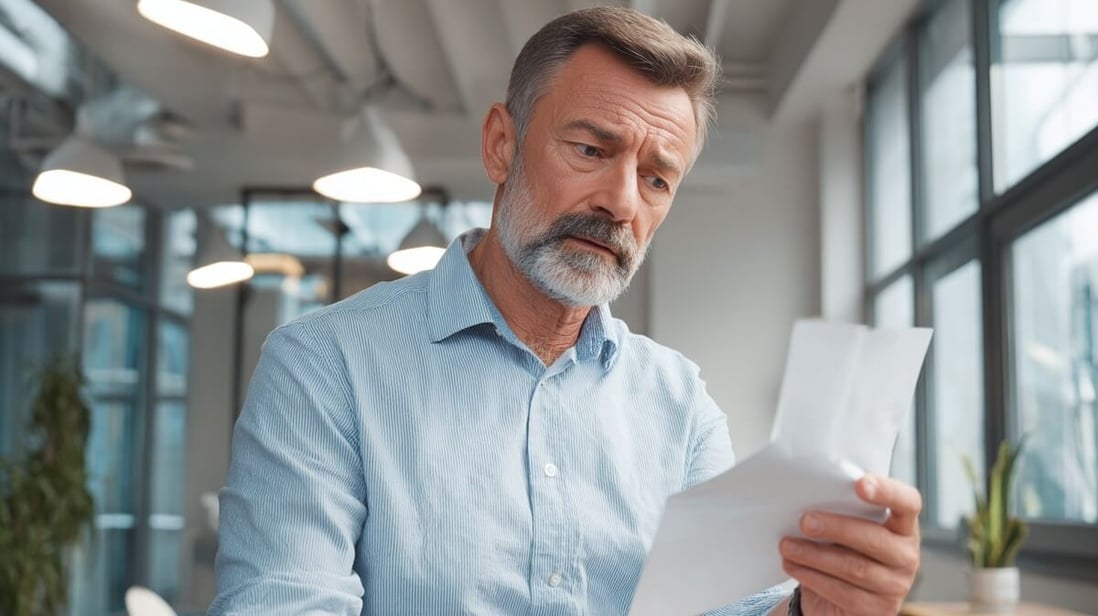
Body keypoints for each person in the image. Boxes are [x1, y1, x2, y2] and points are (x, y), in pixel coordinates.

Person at [209, 7, 921, 615]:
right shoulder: (323, 367)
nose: (622, 202)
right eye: (590, 149)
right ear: (500, 145)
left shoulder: (681, 405)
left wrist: (815, 607)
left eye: (656, 178)